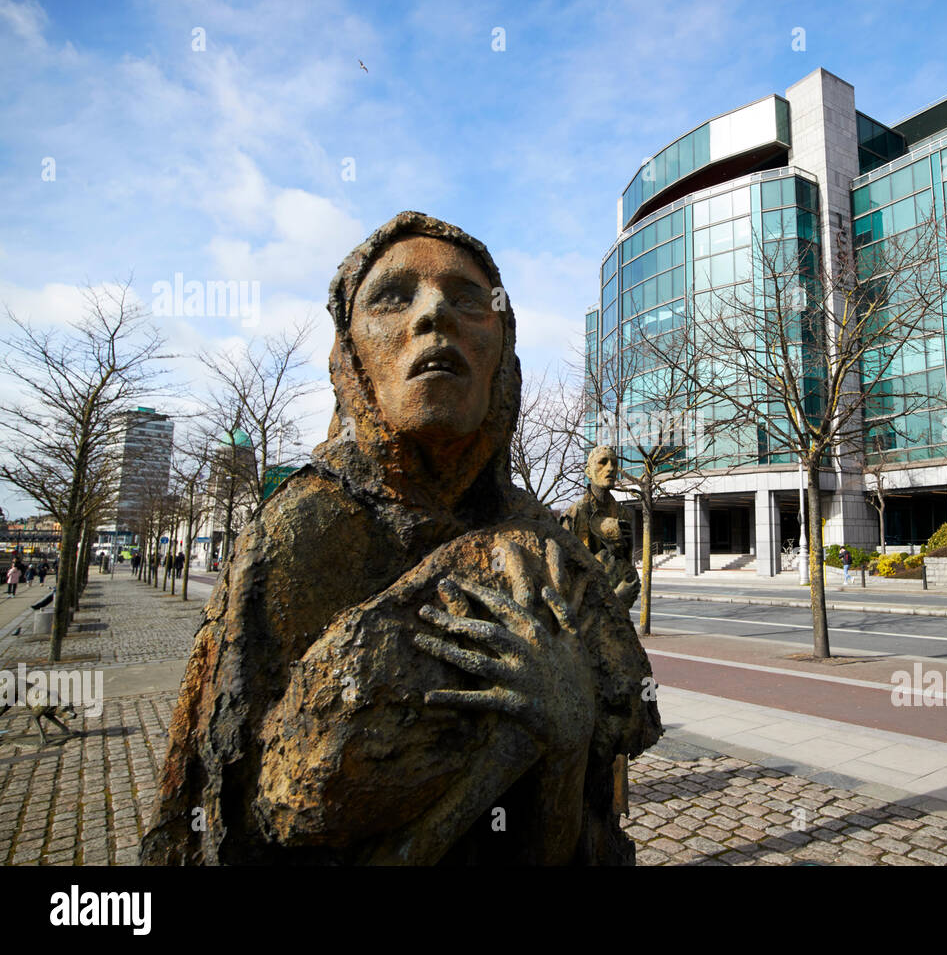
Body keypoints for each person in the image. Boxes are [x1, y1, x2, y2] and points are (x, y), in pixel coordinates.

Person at [141, 212, 661, 866]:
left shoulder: (546, 550)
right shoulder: (296, 537)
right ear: (351, 354)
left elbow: (582, 836)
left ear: (504, 351)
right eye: (393, 296)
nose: (435, 314)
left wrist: (564, 732)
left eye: (470, 300)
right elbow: (237, 830)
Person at [562, 445, 640, 610]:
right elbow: (568, 574)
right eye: (602, 462)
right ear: (588, 472)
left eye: (614, 463)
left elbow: (626, 563)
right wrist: (614, 597)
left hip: (618, 612)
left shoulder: (623, 514)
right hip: (588, 609)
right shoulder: (575, 514)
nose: (610, 468)